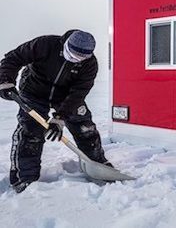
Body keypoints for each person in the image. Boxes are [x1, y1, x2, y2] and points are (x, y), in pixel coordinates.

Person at [0, 30, 112, 193]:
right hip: (34, 91)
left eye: (80, 59)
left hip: (65, 97)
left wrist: (60, 118)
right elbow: (13, 58)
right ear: (65, 45)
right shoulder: (44, 45)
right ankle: (24, 178)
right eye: (72, 55)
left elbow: (79, 93)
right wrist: (5, 80)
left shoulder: (90, 64)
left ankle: (98, 164)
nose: (75, 60)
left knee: (85, 128)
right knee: (31, 132)